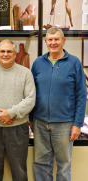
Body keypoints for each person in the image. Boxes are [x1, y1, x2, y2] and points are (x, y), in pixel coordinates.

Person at [30, 27, 87, 181]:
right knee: (41, 164)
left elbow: (82, 95)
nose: (53, 43)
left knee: (63, 166)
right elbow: (31, 93)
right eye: (50, 39)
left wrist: (77, 124)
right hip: (40, 122)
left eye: (56, 39)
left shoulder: (74, 63)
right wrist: (31, 119)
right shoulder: (38, 63)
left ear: (63, 41)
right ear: (46, 41)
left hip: (65, 124)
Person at [0, 39, 36, 181]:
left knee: (19, 172)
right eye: (2, 51)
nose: (5, 54)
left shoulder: (25, 73)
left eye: (9, 51)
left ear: (15, 54)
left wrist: (11, 113)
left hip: (18, 129)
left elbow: (30, 99)